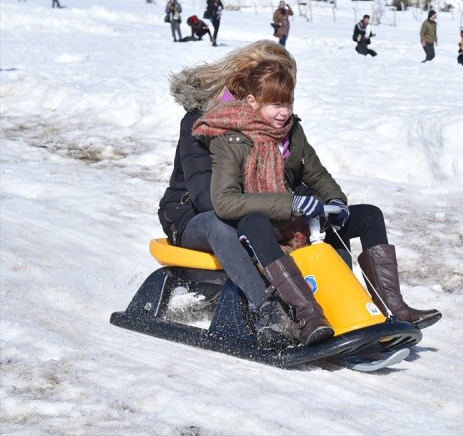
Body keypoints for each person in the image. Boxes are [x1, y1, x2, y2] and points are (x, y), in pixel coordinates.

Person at [192, 44, 442, 331]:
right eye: (276, 105)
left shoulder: (292, 131)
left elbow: (316, 172)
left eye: (288, 104)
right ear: (252, 102)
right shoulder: (229, 138)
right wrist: (290, 204)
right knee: (258, 223)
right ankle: (308, 317)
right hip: (253, 225)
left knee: (369, 215)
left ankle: (394, 308)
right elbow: (225, 201)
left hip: (293, 218)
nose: (284, 113)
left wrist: (336, 201)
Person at [158, 40, 307, 348]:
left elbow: (292, 176)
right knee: (220, 224)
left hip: (246, 211)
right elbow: (206, 199)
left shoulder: (267, 123)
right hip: (192, 216)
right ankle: (266, 311)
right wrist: (270, 205)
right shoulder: (199, 121)